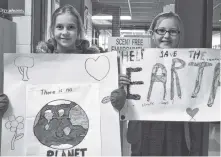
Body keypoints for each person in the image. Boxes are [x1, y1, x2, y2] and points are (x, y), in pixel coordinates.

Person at [112, 12, 200, 156]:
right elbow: (119, 105)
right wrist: (121, 87)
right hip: (144, 133)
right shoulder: (135, 64)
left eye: (172, 31)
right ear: (152, 34)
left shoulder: (190, 65)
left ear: (179, 35)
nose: (166, 36)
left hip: (177, 133)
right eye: (161, 30)